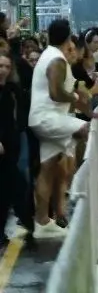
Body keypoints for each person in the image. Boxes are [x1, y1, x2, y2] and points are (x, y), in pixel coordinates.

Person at [28, 19, 98, 240]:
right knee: (88, 131)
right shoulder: (56, 60)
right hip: (47, 119)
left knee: (48, 168)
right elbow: (55, 93)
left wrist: (88, 109)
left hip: (46, 119)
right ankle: (83, 189)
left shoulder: (51, 55)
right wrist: (74, 96)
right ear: (68, 37)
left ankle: (42, 222)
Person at [0, 52, 33, 246]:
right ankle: (29, 223)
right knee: (12, 189)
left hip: (12, 147)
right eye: (0, 66)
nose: (3, 70)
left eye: (6, 66)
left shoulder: (13, 90)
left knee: (12, 188)